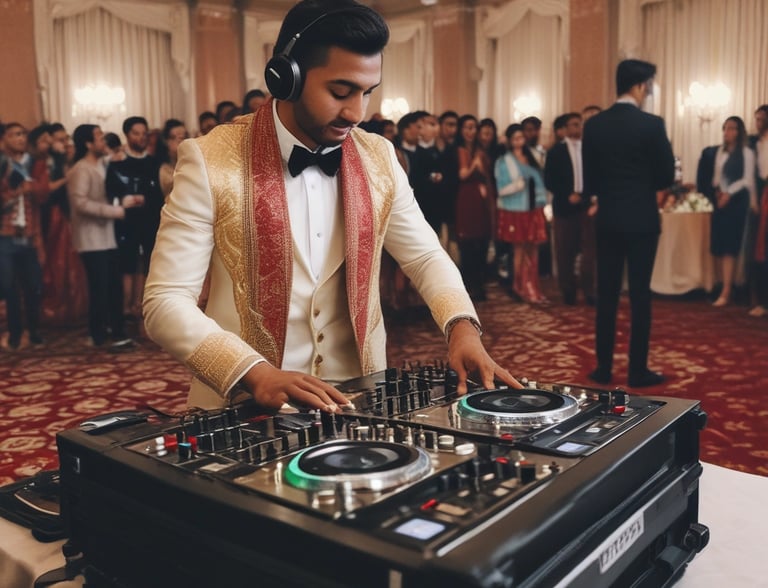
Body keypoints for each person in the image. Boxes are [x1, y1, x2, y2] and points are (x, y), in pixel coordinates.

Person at [143, 0, 520, 411]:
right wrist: (253, 371)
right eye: (340, 92)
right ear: (286, 78)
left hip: (359, 400)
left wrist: (462, 326)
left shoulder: (379, 157)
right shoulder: (209, 159)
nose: (356, 112)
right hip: (242, 407)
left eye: (367, 93)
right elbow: (166, 300)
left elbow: (425, 255)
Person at [582, 59, 675, 388]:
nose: (648, 91)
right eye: (648, 85)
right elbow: (666, 176)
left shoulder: (594, 125)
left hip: (608, 219)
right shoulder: (652, 124)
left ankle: (603, 367)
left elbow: (589, 180)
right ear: (639, 85)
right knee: (640, 296)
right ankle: (637, 370)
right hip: (641, 220)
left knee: (606, 294)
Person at [68, 124, 141, 349]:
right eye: (99, 137)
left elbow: (109, 193)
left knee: (113, 287)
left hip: (108, 236)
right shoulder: (81, 169)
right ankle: (99, 334)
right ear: (88, 144)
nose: (103, 141)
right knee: (99, 288)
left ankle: (116, 332)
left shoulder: (104, 164)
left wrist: (124, 201)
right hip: (91, 239)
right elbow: (80, 203)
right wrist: (117, 211)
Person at [696, 116, 757, 307]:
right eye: (725, 128)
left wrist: (729, 193)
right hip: (720, 200)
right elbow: (716, 178)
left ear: (739, 132)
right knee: (719, 245)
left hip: (736, 201)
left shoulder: (746, 153)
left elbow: (747, 179)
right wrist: (717, 193)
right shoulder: (719, 152)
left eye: (732, 128)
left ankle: (727, 289)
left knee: (730, 247)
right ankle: (721, 284)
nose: (727, 132)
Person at [545, 112, 596, 306]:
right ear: (565, 129)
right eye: (574, 124)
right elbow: (549, 179)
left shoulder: (589, 149)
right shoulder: (556, 151)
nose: (578, 127)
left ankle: (589, 290)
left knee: (589, 252)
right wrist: (567, 194)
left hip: (586, 206)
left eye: (580, 124)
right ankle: (568, 290)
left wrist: (589, 197)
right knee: (565, 251)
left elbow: (595, 175)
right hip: (564, 207)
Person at [494, 123, 548, 303]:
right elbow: (501, 188)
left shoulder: (532, 157)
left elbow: (541, 179)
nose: (519, 141)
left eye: (521, 138)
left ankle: (533, 286)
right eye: (515, 138)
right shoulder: (504, 161)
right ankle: (518, 286)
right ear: (510, 141)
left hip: (534, 206)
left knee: (533, 248)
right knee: (519, 248)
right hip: (516, 208)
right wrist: (516, 185)